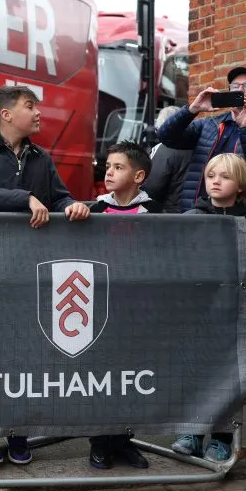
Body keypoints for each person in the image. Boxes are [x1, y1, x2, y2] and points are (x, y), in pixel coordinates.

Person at [0, 85, 91, 464]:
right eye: (30, 107)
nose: (38, 113)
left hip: (31, 270)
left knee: (25, 352)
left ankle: (17, 431)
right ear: (5, 115)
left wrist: (73, 206)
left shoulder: (42, 158)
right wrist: (24, 199)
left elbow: (59, 196)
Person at [171, 152, 246, 463]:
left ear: (241, 186)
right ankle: (191, 432)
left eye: (225, 176)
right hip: (200, 308)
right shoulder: (193, 216)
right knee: (197, 369)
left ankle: (221, 438)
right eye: (210, 175)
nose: (216, 181)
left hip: (238, 309)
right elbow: (179, 262)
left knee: (229, 375)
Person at [87, 141, 161, 469]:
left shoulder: (155, 213)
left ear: (139, 176)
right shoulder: (96, 210)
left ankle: (123, 441)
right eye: (108, 167)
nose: (110, 172)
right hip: (102, 306)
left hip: (138, 307)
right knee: (101, 375)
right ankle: (100, 442)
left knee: (130, 374)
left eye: (119, 167)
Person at [156, 66, 246, 214]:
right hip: (197, 213)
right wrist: (192, 109)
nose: (240, 90)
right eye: (235, 86)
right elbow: (165, 136)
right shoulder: (209, 125)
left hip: (242, 216)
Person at [143, 106, 192, 213]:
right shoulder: (198, 144)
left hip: (169, 213)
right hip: (194, 210)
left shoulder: (164, 148)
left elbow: (153, 187)